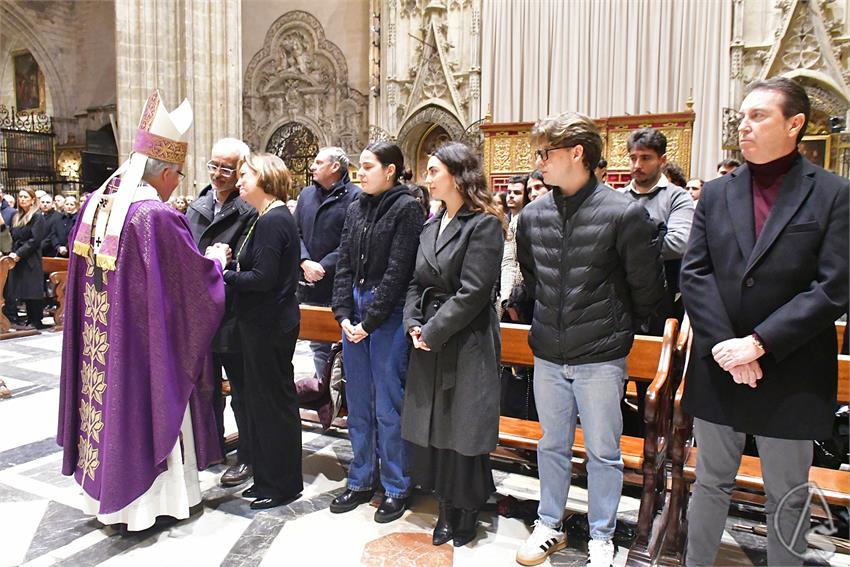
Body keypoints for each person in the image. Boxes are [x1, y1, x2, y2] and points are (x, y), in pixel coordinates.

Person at [680, 77, 849, 567]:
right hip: (720, 363)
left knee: (788, 494)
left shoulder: (833, 193)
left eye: (758, 116)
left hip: (792, 364)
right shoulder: (717, 193)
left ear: (795, 124)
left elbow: (833, 286)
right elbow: (695, 274)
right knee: (710, 481)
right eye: (742, 117)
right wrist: (725, 346)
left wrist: (758, 343)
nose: (744, 126)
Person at [57, 90, 226, 532]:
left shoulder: (96, 206)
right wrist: (217, 263)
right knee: (143, 407)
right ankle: (151, 505)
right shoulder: (155, 215)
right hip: (142, 347)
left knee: (105, 409)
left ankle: (105, 497)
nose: (178, 185)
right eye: (178, 176)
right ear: (166, 171)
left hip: (101, 342)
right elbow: (193, 283)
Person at [515, 112, 665, 567]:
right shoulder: (533, 215)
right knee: (552, 445)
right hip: (549, 352)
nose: (539, 162)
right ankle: (549, 523)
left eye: (546, 152)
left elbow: (647, 290)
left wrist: (614, 329)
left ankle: (602, 535)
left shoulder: (623, 213)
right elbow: (533, 281)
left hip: (601, 355)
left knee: (603, 452)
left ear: (577, 153)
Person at [402, 141, 505, 547]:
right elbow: (415, 282)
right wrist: (413, 323)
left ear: (458, 175)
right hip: (430, 334)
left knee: (463, 427)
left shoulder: (483, 224)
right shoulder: (432, 224)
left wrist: (432, 331)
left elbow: (474, 292)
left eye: (433, 171)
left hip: (466, 339)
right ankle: (446, 506)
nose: (426, 178)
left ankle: (467, 508)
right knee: (436, 426)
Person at [330, 141, 424, 523]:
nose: (361, 173)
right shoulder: (356, 207)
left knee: (388, 406)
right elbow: (344, 263)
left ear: (390, 170)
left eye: (368, 166)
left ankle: (396, 485)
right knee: (358, 404)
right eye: (360, 167)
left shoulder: (407, 208)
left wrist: (368, 322)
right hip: (355, 311)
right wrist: (342, 313)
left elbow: (399, 272)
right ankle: (361, 479)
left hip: (387, 315)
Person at [222, 152, 303, 510]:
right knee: (263, 403)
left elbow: (263, 278)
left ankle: (282, 484)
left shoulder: (273, 220)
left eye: (246, 175)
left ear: (266, 178)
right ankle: (268, 479)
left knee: (273, 405)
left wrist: (223, 273)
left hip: (269, 325)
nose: (239, 181)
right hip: (262, 323)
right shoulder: (266, 216)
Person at [187, 137, 258, 488]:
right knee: (205, 387)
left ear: (240, 170)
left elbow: (248, 261)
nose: (217, 174)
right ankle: (211, 447)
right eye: (213, 166)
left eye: (226, 169)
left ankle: (248, 455)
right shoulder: (197, 205)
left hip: (232, 313)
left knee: (241, 390)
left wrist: (222, 264)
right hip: (199, 313)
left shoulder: (249, 210)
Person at [295, 147, 360, 393]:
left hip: (338, 283)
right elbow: (295, 232)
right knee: (317, 344)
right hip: (308, 282)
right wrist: (304, 261)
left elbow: (351, 241)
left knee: (342, 345)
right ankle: (325, 395)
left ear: (335, 166)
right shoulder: (306, 195)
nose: (312, 166)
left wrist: (323, 265)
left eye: (318, 162)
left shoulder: (355, 196)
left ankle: (340, 397)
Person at [619, 128, 694, 334]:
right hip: (620, 294)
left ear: (662, 160)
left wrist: (625, 248)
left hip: (661, 294)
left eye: (645, 158)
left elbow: (679, 243)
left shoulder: (677, 197)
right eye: (633, 158)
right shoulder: (617, 196)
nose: (637, 165)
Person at [5, 187, 48, 330]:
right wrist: (11, 252)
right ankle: (28, 319)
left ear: (32, 200)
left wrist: (19, 253)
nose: (22, 199)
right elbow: (12, 236)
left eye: (25, 197)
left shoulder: (37, 216)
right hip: (18, 256)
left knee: (32, 289)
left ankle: (36, 319)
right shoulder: (17, 216)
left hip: (30, 257)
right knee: (22, 289)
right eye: (20, 197)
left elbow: (35, 240)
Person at [38, 193, 60, 257]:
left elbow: (52, 234)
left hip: (51, 251)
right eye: (42, 202)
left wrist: (40, 246)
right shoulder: (36, 215)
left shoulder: (58, 216)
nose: (45, 204)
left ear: (52, 204)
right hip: (36, 250)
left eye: (48, 202)